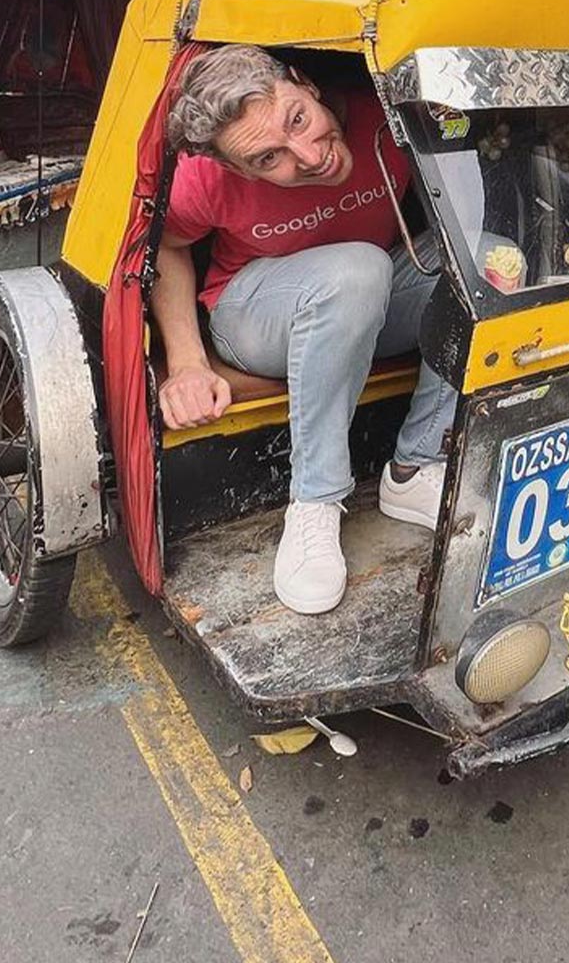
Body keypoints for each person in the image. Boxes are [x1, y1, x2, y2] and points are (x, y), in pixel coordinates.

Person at [152, 45, 454, 617]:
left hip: (363, 297)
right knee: (358, 269)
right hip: (254, 311)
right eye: (269, 159)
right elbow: (166, 246)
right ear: (235, 168)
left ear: (303, 83)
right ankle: (314, 503)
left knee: (480, 259)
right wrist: (188, 361)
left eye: (298, 120)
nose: (308, 155)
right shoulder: (204, 179)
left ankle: (416, 467)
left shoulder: (382, 119)